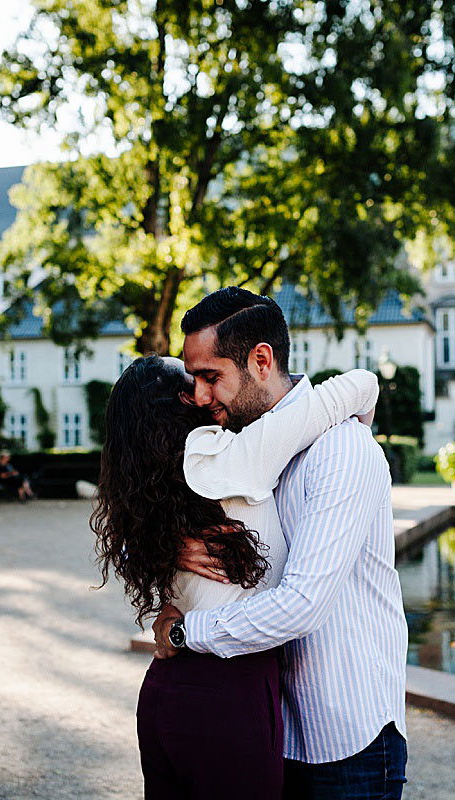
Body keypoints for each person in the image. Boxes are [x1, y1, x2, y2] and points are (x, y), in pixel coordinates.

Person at [151, 287, 408, 800]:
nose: (200, 396)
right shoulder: (243, 449)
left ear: (261, 361)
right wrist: (168, 549)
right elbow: (143, 512)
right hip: (275, 731)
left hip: (348, 743)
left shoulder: (342, 451)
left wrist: (183, 634)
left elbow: (300, 606)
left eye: (210, 377)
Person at [93, 353, 378, 799]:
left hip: (164, 693)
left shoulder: (151, 484)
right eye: (196, 380)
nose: (207, 390)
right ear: (182, 400)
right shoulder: (229, 457)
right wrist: (364, 418)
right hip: (228, 691)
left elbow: (127, 549)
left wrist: (166, 549)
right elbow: (354, 386)